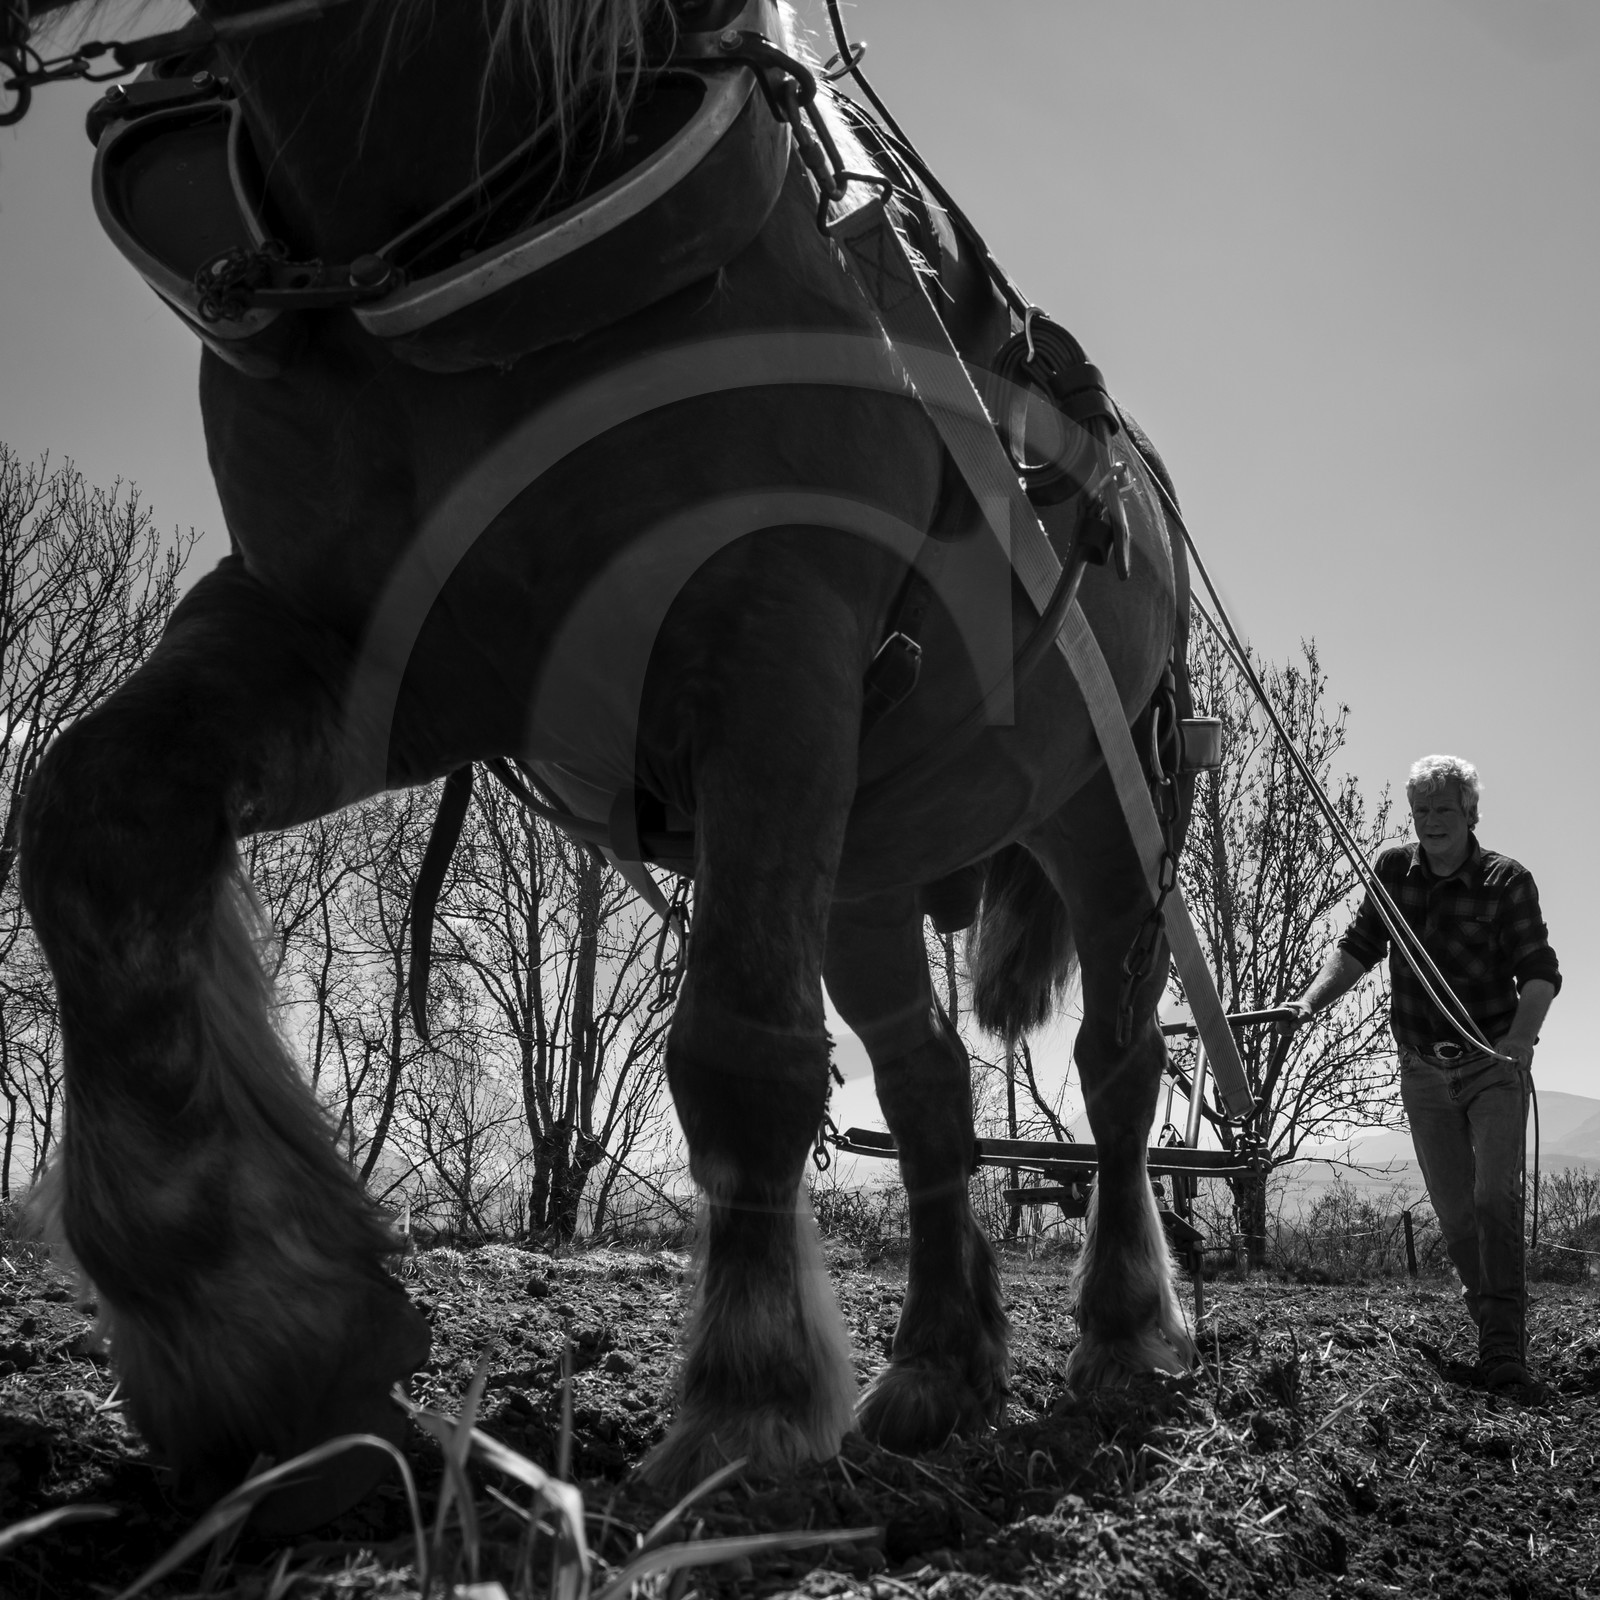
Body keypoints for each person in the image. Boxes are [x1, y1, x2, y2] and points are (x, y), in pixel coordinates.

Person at [1283, 754, 1560, 1398]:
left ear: (1470, 814)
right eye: (1422, 810)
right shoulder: (1390, 872)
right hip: (1422, 1070)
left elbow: (1540, 972)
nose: (1431, 822)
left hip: (1493, 1064)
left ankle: (1502, 1346)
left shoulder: (1506, 881)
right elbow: (1355, 948)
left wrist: (1520, 1039)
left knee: (1495, 1198)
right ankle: (1493, 1325)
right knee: (1456, 1213)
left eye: (1444, 809)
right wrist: (1308, 1003)